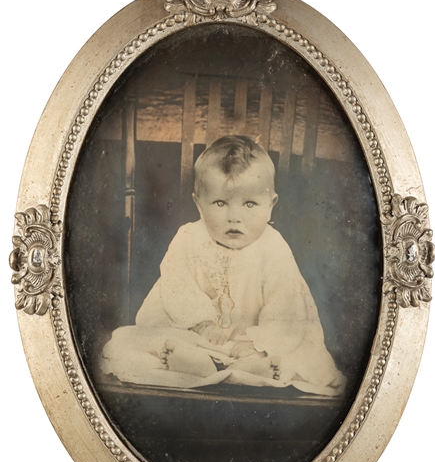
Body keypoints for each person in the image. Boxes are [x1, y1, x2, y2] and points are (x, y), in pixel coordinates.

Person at [101, 136, 346, 396]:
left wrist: (256, 342)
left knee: (297, 354)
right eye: (220, 203)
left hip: (252, 342)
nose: (234, 217)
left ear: (271, 205)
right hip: (195, 334)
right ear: (199, 204)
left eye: (250, 204)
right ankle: (198, 363)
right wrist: (203, 323)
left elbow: (286, 304)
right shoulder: (188, 238)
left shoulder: (274, 247)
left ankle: (252, 366)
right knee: (138, 343)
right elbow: (176, 285)